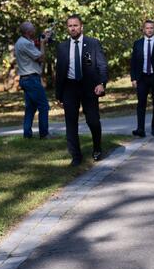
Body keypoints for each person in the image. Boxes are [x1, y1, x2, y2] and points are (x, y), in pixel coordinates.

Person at [55, 14, 108, 166]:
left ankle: (97, 148)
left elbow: (102, 66)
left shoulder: (93, 43)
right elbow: (59, 72)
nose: (73, 28)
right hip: (70, 88)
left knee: (93, 121)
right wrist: (59, 95)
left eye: (75, 25)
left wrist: (102, 83)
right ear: (67, 28)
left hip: (89, 87)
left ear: (81, 26)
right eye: (70, 26)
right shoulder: (62, 47)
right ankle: (76, 156)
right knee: (71, 123)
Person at [15, 21, 52, 139]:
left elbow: (33, 45)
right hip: (31, 79)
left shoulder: (21, 42)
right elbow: (41, 58)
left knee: (30, 108)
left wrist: (42, 38)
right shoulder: (25, 43)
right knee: (44, 106)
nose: (35, 29)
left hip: (25, 79)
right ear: (28, 32)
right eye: (33, 28)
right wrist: (42, 43)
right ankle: (44, 134)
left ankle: (27, 134)